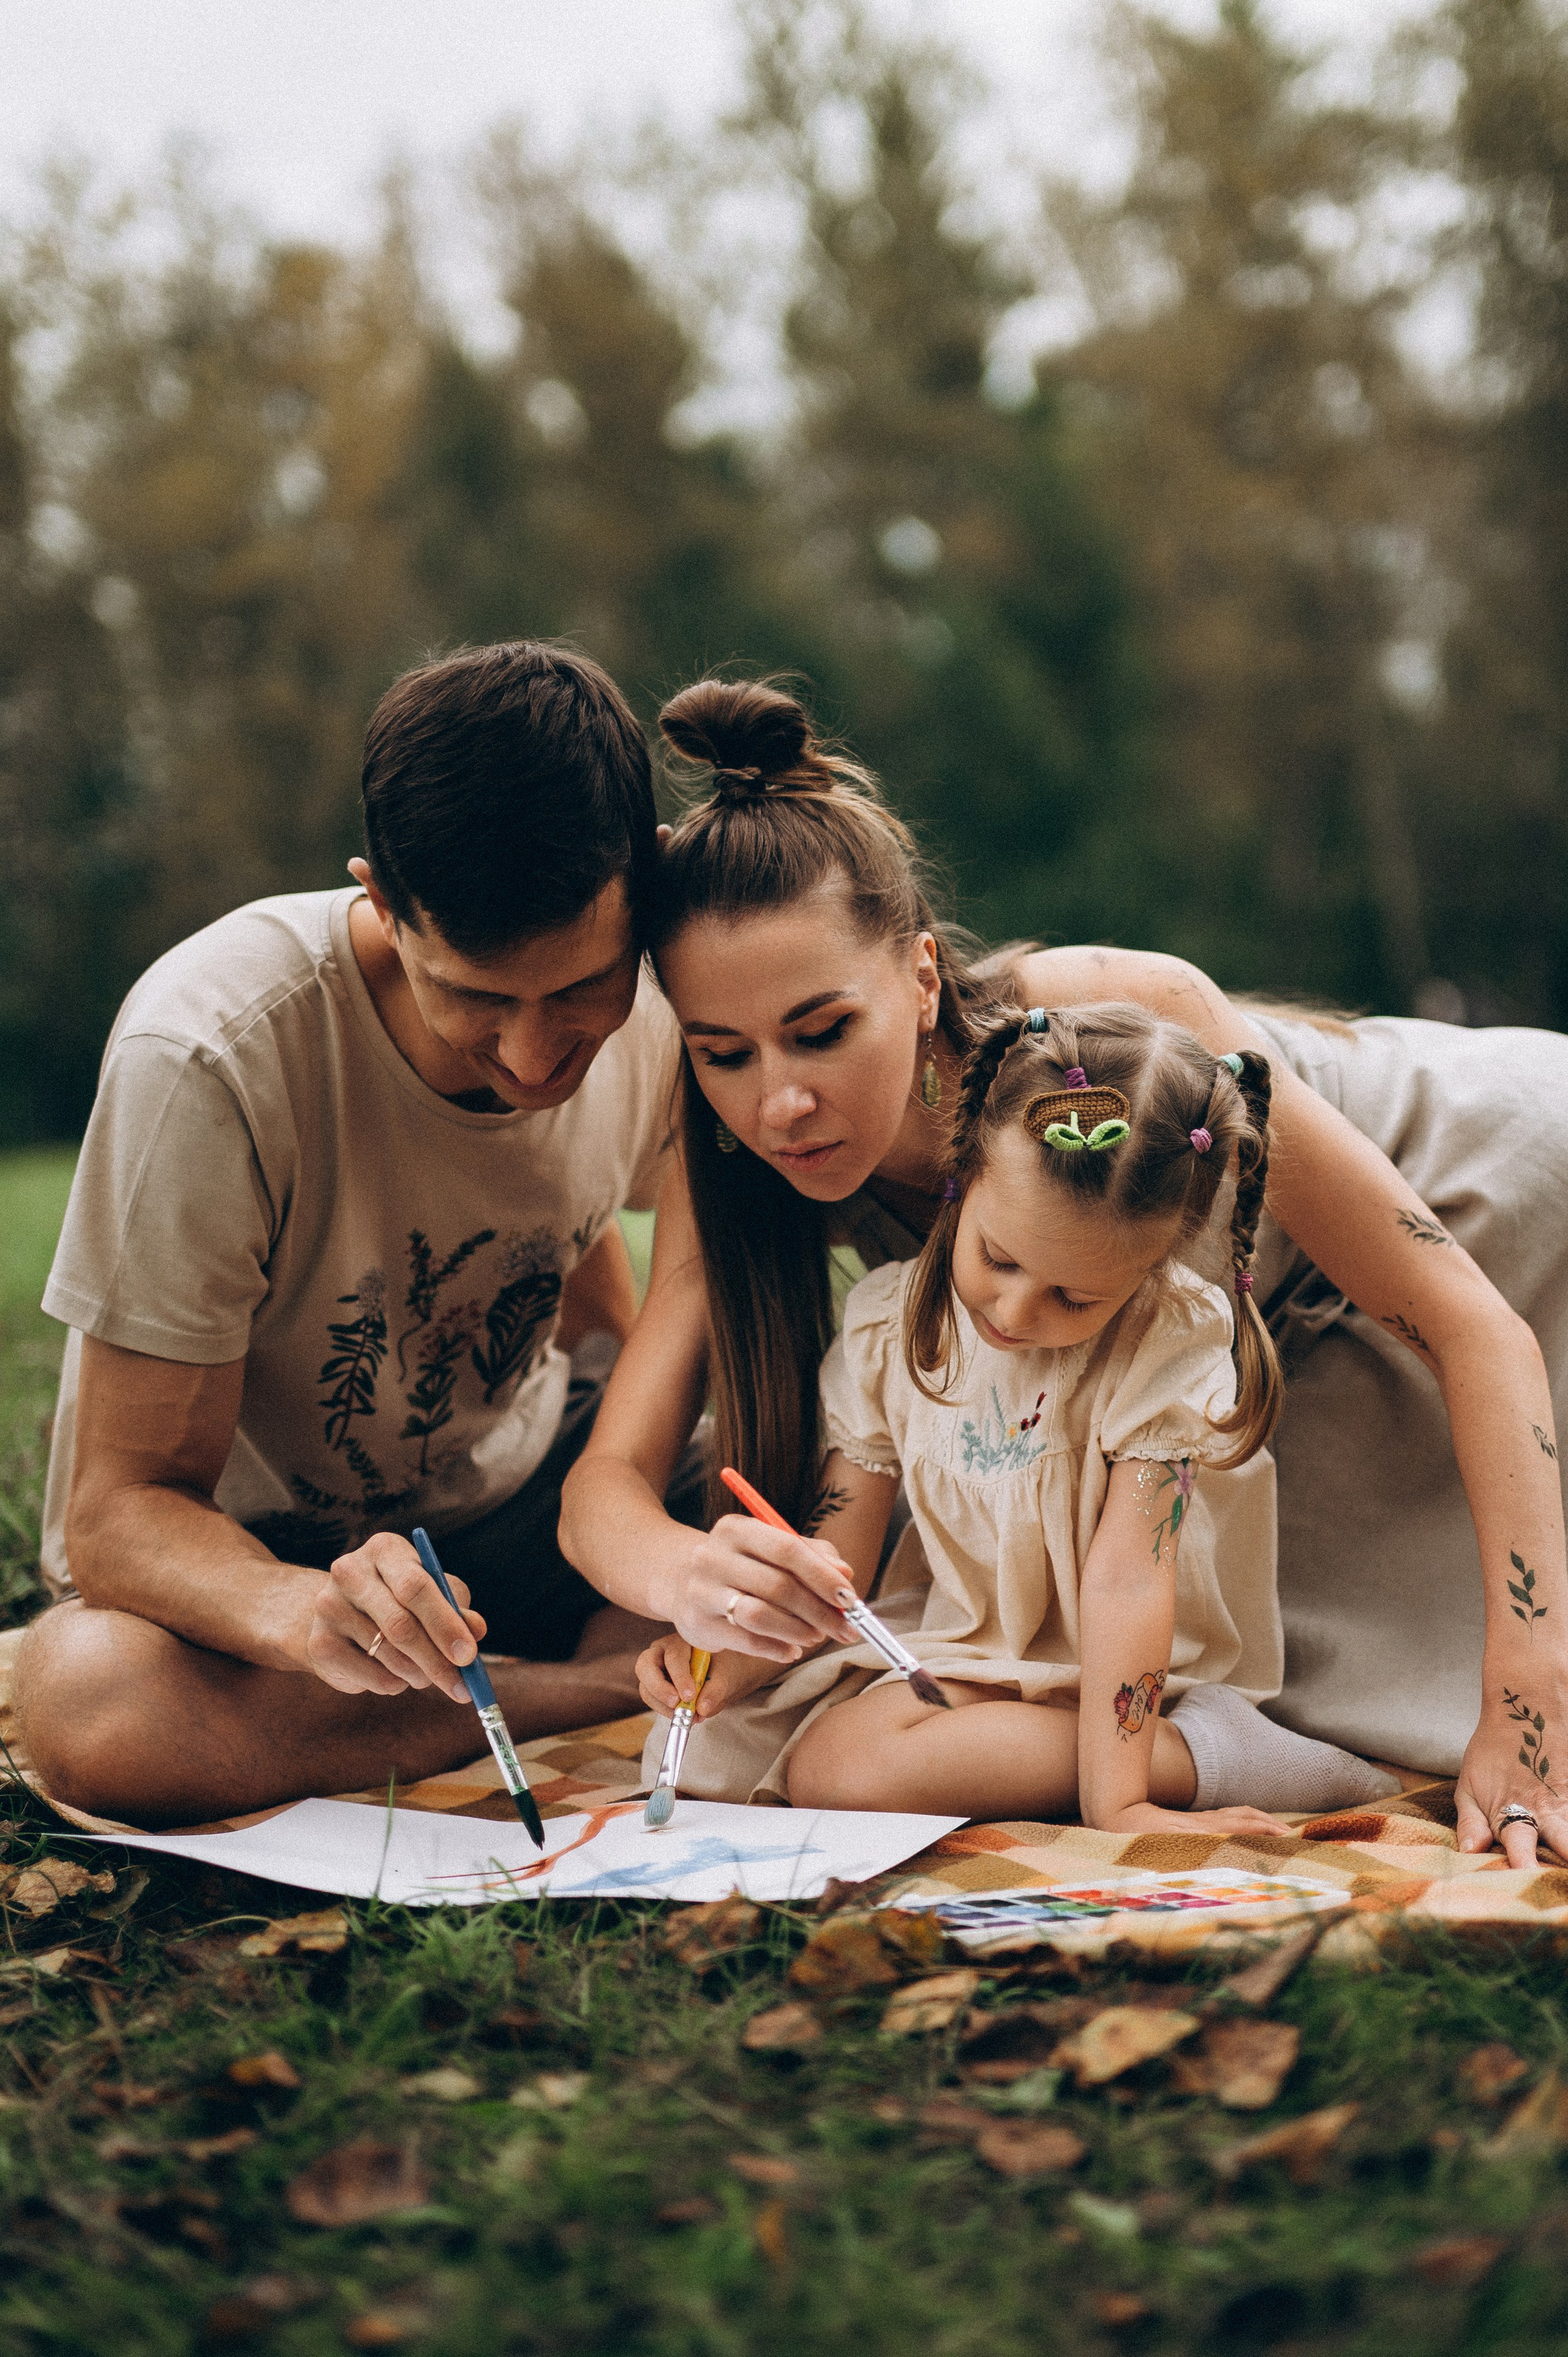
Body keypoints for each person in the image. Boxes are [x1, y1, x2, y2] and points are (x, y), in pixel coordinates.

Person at [561, 676, 1568, 1868]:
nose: (778, 1099)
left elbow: (1473, 1326)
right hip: (1195, 1386)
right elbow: (603, 1492)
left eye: (822, 1030)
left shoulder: (1103, 1025)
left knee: (1396, 1680)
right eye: (722, 1052)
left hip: (1485, 1226)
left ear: (922, 976)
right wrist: (692, 1577)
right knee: (768, 1711)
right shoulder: (730, 1150)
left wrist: (1525, 1697)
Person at [17, 641, 697, 1827]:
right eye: (480, 996)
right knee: (90, 1703)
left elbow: (569, 1232)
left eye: (580, 994)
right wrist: (299, 1611)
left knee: (812, 1431)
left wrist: (627, 1497)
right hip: (264, 1567)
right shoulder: (212, 1053)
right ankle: (590, 1689)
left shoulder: (666, 1003)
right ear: (379, 902)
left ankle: (528, 1676)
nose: (538, 1058)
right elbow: (118, 1513)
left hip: (517, 1509)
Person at [638, 1000, 1401, 1826]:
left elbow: (1127, 1582)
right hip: (974, 1642)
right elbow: (840, 1561)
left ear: (1152, 1267)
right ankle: (1119, 1756)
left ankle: (1206, 1758)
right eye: (998, 1257)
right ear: (963, 1180)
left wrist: (1123, 1803)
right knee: (702, 1749)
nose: (1016, 1309)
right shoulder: (888, 1326)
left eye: (1075, 1297)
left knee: (844, 1770)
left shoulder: (1166, 1342)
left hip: (1125, 1665)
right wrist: (729, 1655)